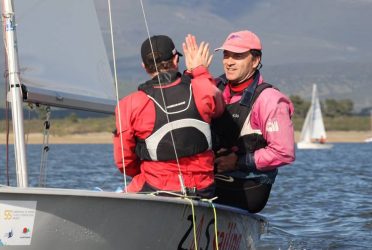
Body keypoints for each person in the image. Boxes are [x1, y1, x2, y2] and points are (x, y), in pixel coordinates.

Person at [113, 35, 224, 198]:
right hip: (204, 189)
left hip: (155, 187)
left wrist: (147, 173)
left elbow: (124, 162)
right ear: (176, 60)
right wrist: (199, 71)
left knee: (121, 192)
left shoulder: (128, 104)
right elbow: (219, 109)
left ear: (144, 66)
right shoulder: (202, 88)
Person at [210, 30, 296, 212]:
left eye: (238, 56)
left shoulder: (270, 99)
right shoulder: (213, 87)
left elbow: (284, 152)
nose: (229, 62)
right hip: (212, 179)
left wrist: (238, 161)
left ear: (255, 61)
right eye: (226, 55)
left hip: (248, 186)